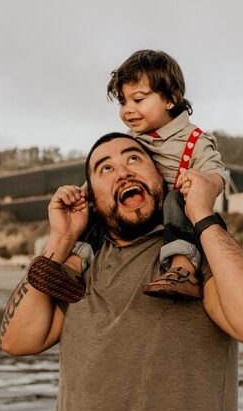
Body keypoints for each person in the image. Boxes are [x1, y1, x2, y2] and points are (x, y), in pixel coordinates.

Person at [0, 133, 243, 411]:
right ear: (91, 194)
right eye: (105, 168)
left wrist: (202, 215)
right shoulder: (77, 267)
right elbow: (16, 341)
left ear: (161, 176)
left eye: (134, 159)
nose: (122, 172)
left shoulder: (194, 261)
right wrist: (61, 237)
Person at [66, 49, 228, 301]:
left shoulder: (195, 140)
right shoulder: (131, 138)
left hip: (176, 217)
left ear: (170, 99)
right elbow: (105, 178)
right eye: (123, 102)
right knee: (101, 204)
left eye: (138, 99)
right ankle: (75, 264)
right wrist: (83, 193)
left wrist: (205, 183)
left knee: (177, 200)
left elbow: (217, 173)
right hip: (135, 213)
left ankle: (182, 268)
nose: (127, 110)